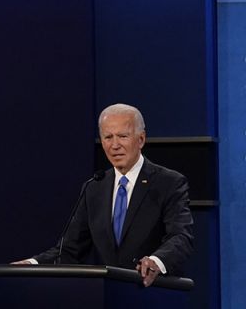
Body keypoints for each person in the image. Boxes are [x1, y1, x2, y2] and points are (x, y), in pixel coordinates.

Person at [14, 103, 193, 286]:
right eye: (108, 137)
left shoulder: (168, 182)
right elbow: (70, 250)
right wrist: (32, 264)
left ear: (141, 139)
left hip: (153, 291)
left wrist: (157, 261)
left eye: (122, 136)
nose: (114, 145)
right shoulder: (95, 187)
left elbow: (180, 236)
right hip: (107, 295)